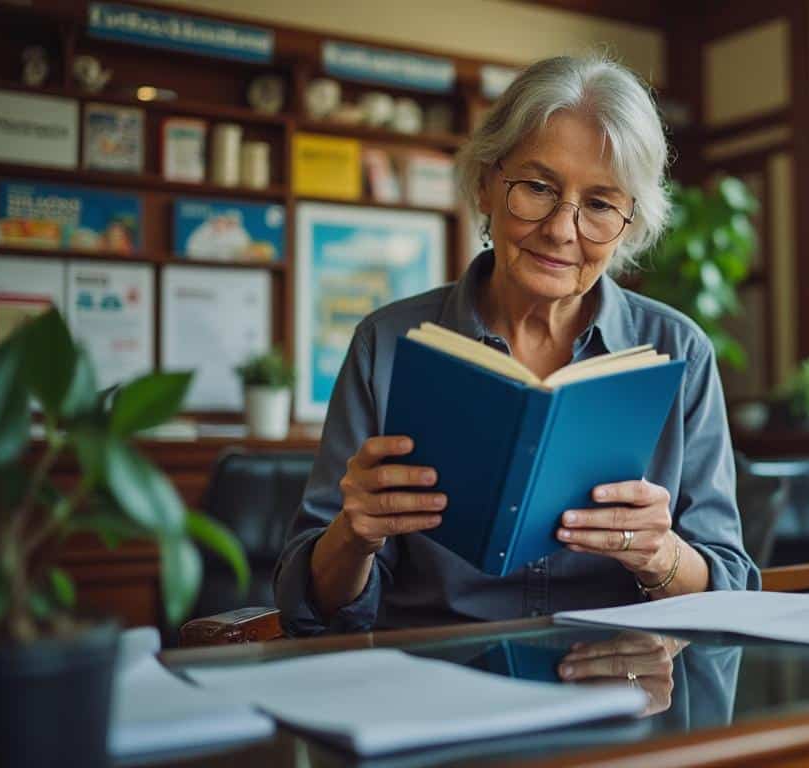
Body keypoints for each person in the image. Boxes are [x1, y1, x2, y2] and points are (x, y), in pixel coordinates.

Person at [274, 55, 760, 636]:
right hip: (435, 668)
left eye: (600, 204)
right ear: (486, 184)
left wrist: (660, 554)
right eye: (537, 187)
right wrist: (352, 537)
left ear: (629, 224)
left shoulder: (679, 351)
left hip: (617, 672)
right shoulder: (385, 344)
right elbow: (312, 604)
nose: (560, 230)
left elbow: (730, 586)